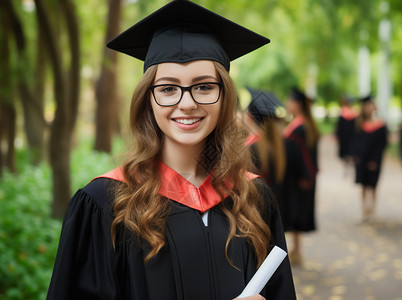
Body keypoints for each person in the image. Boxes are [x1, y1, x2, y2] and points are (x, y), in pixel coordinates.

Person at [46, 1, 296, 299]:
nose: (187, 103)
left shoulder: (253, 199)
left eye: (204, 86)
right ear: (147, 100)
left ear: (224, 96)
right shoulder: (106, 205)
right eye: (167, 88)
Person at [282, 88, 319, 266]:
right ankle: (296, 249)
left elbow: (304, 155)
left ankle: (297, 251)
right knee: (296, 211)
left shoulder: (300, 127)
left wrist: (306, 176)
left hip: (299, 178)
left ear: (297, 104)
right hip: (297, 177)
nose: (287, 105)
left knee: (297, 211)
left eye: (289, 101)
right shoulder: (301, 124)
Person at [244, 89, 287, 223]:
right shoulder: (276, 144)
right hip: (274, 207)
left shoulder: (251, 147)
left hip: (255, 211)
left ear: (250, 116)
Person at [352, 95, 388, 222]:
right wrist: (355, 156)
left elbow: (382, 144)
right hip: (361, 159)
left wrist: (375, 160)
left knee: (372, 185)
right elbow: (355, 141)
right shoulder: (359, 122)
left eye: (371, 104)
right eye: (366, 105)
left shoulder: (381, 125)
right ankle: (363, 210)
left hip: (374, 159)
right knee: (363, 184)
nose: (369, 107)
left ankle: (372, 210)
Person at [335, 95, 357, 176]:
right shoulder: (353, 113)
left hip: (344, 137)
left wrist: (337, 135)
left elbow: (338, 127)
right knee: (349, 152)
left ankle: (346, 168)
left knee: (346, 153)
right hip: (350, 137)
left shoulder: (343, 113)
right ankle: (348, 167)